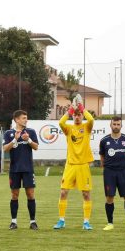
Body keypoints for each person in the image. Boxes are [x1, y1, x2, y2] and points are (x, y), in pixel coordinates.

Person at [54, 99, 94, 230]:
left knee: (86, 194)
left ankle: (86, 222)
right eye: (75, 115)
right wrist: (70, 110)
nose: (77, 117)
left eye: (79, 115)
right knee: (63, 192)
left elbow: (92, 120)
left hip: (83, 165)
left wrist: (82, 108)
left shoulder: (86, 127)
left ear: (82, 115)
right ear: (73, 116)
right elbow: (60, 122)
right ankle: (61, 220)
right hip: (70, 165)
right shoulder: (69, 129)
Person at [3, 110, 39, 230]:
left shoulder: (31, 132)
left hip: (28, 168)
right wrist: (15, 140)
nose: (26, 120)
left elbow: (36, 147)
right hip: (14, 169)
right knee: (15, 195)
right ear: (16, 120)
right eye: (23, 118)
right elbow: (5, 149)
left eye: (26, 117)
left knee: (30, 194)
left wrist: (28, 139)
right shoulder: (9, 133)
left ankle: (33, 222)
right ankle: (13, 222)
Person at [99, 116, 125, 230]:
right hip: (109, 172)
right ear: (110, 125)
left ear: (121, 126)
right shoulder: (104, 140)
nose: (116, 126)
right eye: (114, 124)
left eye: (118, 124)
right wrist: (105, 168)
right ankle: (110, 223)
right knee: (109, 197)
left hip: (123, 172)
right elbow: (102, 155)